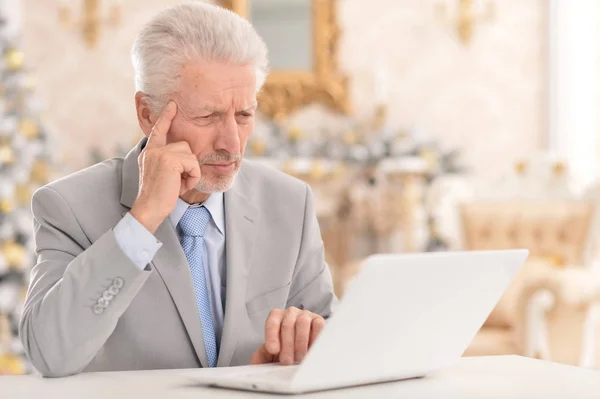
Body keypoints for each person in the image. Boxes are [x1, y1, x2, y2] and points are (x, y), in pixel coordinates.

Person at [19, 2, 338, 377]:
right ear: (147, 114)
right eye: (208, 116)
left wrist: (302, 349)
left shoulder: (290, 203)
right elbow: (50, 353)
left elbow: (332, 340)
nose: (233, 144)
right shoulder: (68, 207)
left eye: (244, 115)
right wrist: (141, 222)